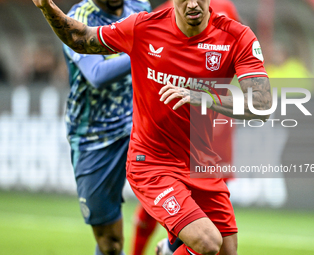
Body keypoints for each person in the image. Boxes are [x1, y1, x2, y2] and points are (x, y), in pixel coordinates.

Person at [31, 0, 272, 254]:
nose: (192, 4)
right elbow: (80, 37)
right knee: (208, 242)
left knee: (227, 251)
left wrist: (205, 97)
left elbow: (262, 105)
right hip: (151, 162)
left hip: (200, 161)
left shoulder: (237, 36)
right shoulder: (143, 27)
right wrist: (47, 6)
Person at [131, 1, 241, 254]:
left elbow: (235, 60)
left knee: (218, 239)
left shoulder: (228, 14)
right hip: (167, 135)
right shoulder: (164, 14)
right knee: (170, 214)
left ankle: (170, 248)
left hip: (208, 135)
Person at [61, 0, 150, 255]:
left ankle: (170, 246)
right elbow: (97, 74)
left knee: (182, 201)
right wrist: (144, 51)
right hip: (95, 137)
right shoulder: (78, 18)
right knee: (111, 243)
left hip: (139, 126)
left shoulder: (140, 6)